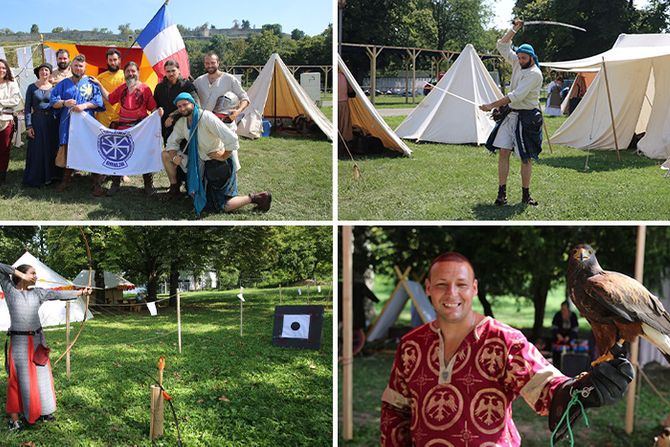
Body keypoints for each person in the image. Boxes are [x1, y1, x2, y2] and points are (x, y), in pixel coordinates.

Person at [380, 252, 634, 446]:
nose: (451, 293)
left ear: (475, 288)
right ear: (428, 288)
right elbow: (395, 410)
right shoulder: (411, 345)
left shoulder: (503, 340)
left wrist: (583, 389)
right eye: (441, 285)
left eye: (461, 284)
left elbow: (547, 387)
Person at [0, 262, 91, 430]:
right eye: (32, 273)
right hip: (19, 343)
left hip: (37, 341)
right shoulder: (10, 290)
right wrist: (20, 275)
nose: (35, 276)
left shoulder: (38, 293)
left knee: (42, 376)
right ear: (22, 275)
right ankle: (14, 419)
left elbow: (57, 295)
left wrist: (80, 292)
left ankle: (45, 411)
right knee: (19, 379)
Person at [164, 93, 271, 214]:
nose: (182, 108)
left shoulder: (206, 117)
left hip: (219, 165)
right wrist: (173, 156)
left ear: (192, 103)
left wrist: (224, 155)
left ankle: (259, 197)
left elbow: (231, 138)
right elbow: (171, 142)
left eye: (185, 104)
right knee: (206, 202)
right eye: (179, 106)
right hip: (204, 164)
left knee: (220, 205)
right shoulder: (182, 123)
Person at [480, 19, 543, 207]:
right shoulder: (517, 61)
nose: (520, 60)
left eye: (524, 58)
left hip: (528, 117)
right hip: (512, 115)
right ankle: (501, 195)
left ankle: (526, 196)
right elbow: (501, 45)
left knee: (525, 158)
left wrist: (492, 105)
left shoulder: (534, 74)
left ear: (531, 58)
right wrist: (514, 29)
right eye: (519, 57)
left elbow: (515, 96)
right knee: (503, 153)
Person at [91, 61, 159, 195]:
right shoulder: (122, 88)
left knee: (144, 154)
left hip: (140, 128)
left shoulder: (145, 89)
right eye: (128, 71)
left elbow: (153, 108)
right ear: (125, 73)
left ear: (138, 73)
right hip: (123, 128)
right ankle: (116, 183)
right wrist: (99, 84)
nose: (131, 74)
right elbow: (110, 98)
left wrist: (159, 111)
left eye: (133, 71)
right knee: (118, 156)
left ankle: (148, 184)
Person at [50, 54, 105, 195]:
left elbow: (98, 101)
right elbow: (53, 102)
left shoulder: (91, 83)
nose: (78, 68)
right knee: (69, 149)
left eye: (81, 66)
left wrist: (84, 105)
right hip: (68, 123)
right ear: (71, 66)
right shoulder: (63, 83)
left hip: (87, 124)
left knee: (91, 150)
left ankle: (96, 183)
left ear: (85, 68)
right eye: (76, 65)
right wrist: (64, 103)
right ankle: (66, 180)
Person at [153, 59, 198, 194]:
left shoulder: (188, 85)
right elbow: (155, 105)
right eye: (168, 71)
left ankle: (189, 183)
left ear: (179, 70)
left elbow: (195, 103)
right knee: (171, 155)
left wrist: (173, 115)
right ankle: (174, 186)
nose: (171, 73)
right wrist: (158, 110)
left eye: (173, 70)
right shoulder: (159, 87)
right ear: (164, 73)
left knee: (186, 156)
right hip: (167, 130)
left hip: (185, 128)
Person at [23, 63, 61, 187]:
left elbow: (58, 105)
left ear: (50, 73)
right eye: (41, 70)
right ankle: (37, 177)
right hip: (37, 121)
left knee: (51, 147)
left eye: (46, 70)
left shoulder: (55, 88)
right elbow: (27, 108)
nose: (44, 72)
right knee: (37, 149)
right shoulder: (31, 88)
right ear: (38, 72)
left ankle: (52, 176)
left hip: (52, 121)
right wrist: (28, 126)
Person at [193, 52, 249, 121]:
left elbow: (245, 98)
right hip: (204, 123)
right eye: (207, 63)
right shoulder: (198, 81)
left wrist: (238, 111)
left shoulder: (230, 79)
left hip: (225, 122)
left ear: (218, 63)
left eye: (213, 63)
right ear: (204, 64)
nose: (210, 65)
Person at [0, 59, 21, 185]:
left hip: (5, 120)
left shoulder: (11, 84)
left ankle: (2, 175)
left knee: (3, 149)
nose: (1, 70)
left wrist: (1, 102)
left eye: (3, 68)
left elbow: (15, 100)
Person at [94, 48, 124, 128]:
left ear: (119, 60)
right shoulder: (100, 78)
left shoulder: (125, 76)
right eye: (110, 60)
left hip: (121, 120)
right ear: (107, 61)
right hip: (102, 120)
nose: (113, 63)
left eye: (115, 60)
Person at [551, 300, 579, 366]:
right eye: (562, 309)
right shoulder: (557, 315)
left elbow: (575, 329)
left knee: (573, 346)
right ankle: (557, 364)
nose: (563, 311)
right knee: (556, 349)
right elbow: (554, 327)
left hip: (569, 338)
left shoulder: (573, 316)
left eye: (564, 309)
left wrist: (569, 337)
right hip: (559, 338)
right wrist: (558, 335)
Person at [337, 68, 354, 143]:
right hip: (343, 103)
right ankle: (344, 142)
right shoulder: (344, 76)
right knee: (344, 125)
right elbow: (351, 92)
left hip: (338, 103)